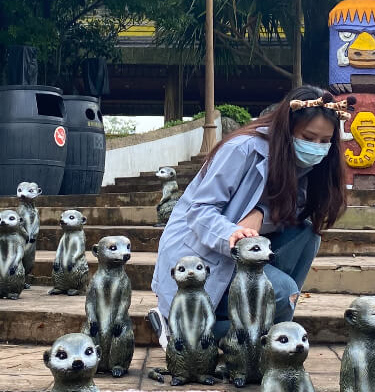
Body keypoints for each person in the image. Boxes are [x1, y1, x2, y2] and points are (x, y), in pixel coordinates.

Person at [147, 85, 350, 346]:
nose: (316, 148)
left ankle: (264, 334)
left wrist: (260, 213)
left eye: (325, 141)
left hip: (246, 250)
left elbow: (294, 210)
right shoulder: (243, 149)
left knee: (308, 236)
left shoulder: (307, 166)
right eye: (309, 138)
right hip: (202, 252)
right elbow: (198, 211)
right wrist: (231, 233)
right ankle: (186, 331)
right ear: (287, 130)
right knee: (280, 292)